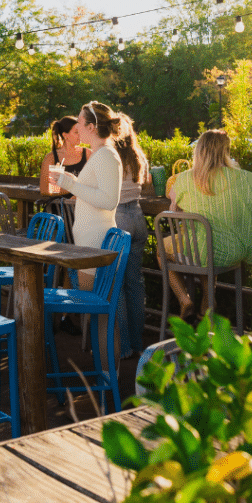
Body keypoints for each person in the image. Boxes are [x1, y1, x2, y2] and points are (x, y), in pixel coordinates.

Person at [161, 129, 252, 319]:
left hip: (202, 251)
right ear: (226, 151)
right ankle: (208, 300)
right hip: (234, 249)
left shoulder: (185, 179)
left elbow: (173, 213)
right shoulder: (243, 178)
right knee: (205, 246)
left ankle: (184, 299)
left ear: (199, 150)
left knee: (166, 250)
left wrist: (176, 203)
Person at [48, 101, 122, 254]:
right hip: (89, 242)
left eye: (79, 121)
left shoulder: (106, 155)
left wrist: (70, 183)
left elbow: (108, 201)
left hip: (95, 243)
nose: (77, 126)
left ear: (90, 127)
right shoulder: (99, 153)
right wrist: (72, 181)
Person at [114, 114, 152, 358]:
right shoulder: (139, 156)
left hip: (118, 217)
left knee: (117, 285)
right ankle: (139, 343)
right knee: (135, 283)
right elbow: (146, 184)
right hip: (137, 216)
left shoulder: (111, 158)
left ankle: (124, 346)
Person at [39, 117, 89, 195]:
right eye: (76, 132)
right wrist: (73, 189)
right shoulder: (51, 158)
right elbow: (45, 190)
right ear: (65, 135)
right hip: (60, 206)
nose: (80, 135)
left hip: (84, 205)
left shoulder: (88, 154)